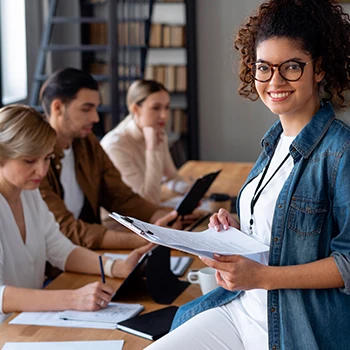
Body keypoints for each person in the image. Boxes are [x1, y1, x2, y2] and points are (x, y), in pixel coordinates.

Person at [146, 0, 350, 349]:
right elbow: (282, 232)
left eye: (291, 67)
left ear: (319, 69)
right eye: (263, 67)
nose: (275, 80)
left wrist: (264, 277)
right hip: (240, 309)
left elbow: (347, 263)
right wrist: (236, 229)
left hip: (293, 329)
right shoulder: (274, 144)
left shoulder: (341, 151)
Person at [0, 104, 153, 323]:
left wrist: (116, 267)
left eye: (46, 159)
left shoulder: (28, 194)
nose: (42, 171)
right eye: (29, 161)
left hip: (25, 322)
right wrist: (72, 298)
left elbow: (60, 249)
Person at [39, 68, 191, 251]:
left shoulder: (88, 143)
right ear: (58, 108)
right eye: (87, 109)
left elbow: (119, 196)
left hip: (90, 252)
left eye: (95, 108)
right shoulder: (37, 159)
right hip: (61, 262)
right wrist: (148, 239)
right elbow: (65, 229)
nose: (95, 118)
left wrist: (160, 217)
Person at [100, 79, 189, 205]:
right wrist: (152, 149)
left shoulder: (157, 132)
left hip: (150, 213)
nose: (164, 115)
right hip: (124, 222)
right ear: (136, 109)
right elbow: (146, 201)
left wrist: (189, 190)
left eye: (167, 107)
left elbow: (170, 176)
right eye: (156, 108)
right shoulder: (116, 146)